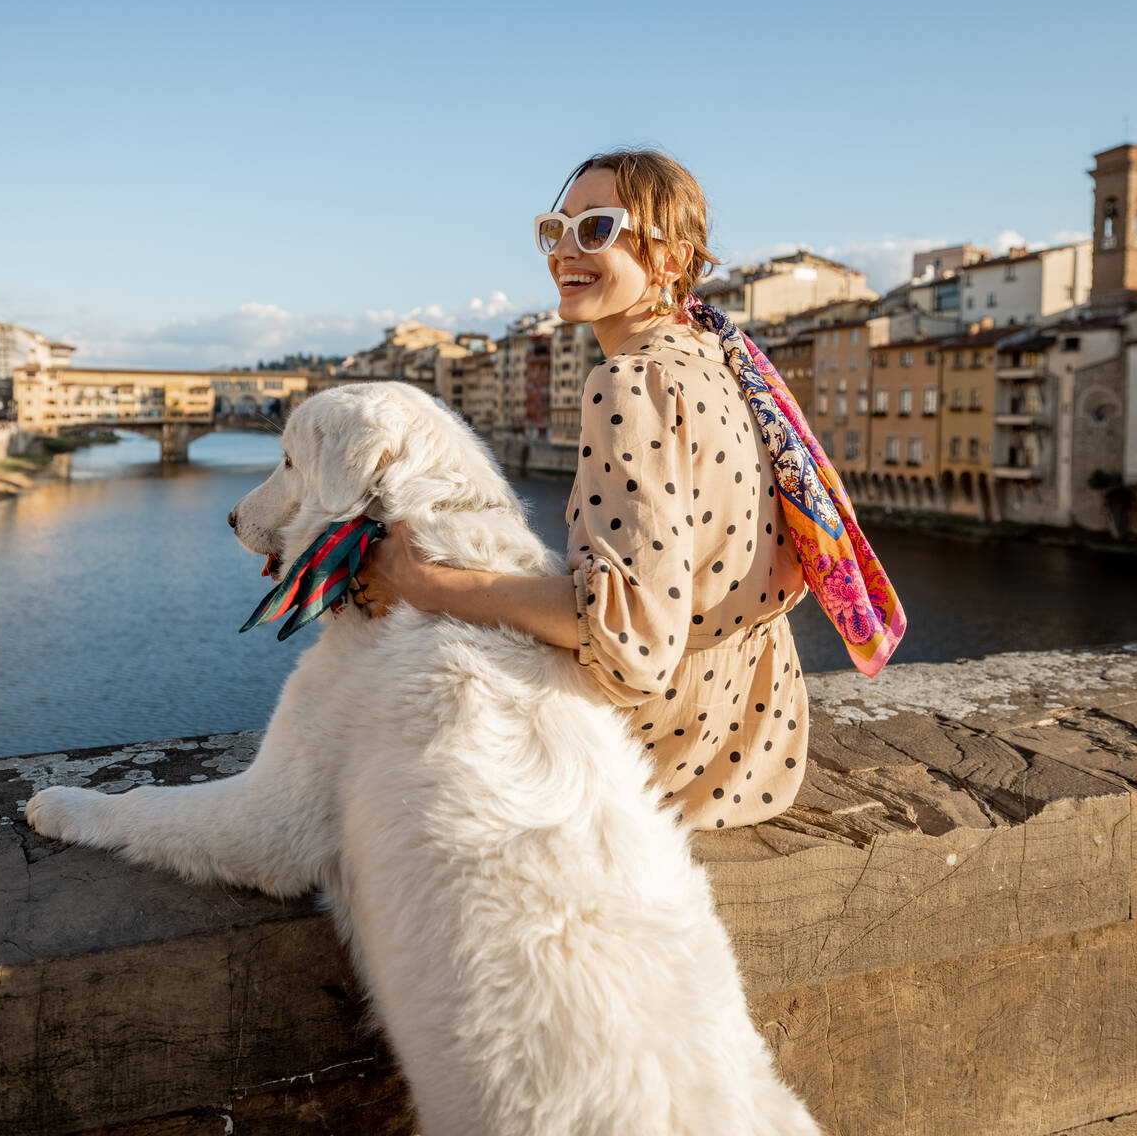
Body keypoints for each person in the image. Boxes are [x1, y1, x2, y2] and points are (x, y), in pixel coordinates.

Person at [355, 148, 904, 829]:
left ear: (670, 260)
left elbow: (632, 640)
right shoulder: (721, 357)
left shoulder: (629, 383)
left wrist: (426, 585)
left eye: (596, 229)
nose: (564, 251)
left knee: (378, 735)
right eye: (555, 229)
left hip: (663, 762)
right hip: (758, 744)